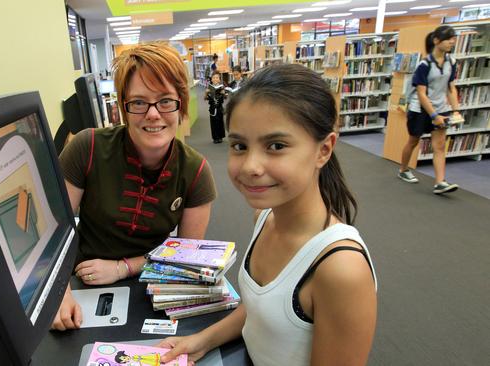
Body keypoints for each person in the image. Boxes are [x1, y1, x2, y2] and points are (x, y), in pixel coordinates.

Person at [158, 64, 377, 366]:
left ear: (324, 150)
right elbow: (260, 309)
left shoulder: (340, 269)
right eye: (239, 146)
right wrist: (201, 342)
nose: (250, 166)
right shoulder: (264, 217)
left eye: (276, 146)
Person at [52, 43, 217, 330]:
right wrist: (59, 292)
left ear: (180, 105)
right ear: (123, 108)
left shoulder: (196, 170)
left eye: (165, 101)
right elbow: (54, 232)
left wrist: (122, 267)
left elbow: (183, 259)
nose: (153, 114)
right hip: (82, 281)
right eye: (139, 102)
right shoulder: (86, 147)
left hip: (154, 284)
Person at [397, 25, 461, 195]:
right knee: (413, 141)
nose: (452, 43)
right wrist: (433, 115)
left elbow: (451, 88)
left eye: (453, 39)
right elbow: (421, 93)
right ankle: (403, 169)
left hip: (441, 108)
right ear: (436, 41)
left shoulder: (451, 63)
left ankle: (440, 182)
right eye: (449, 39)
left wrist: (455, 111)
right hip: (420, 109)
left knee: (439, 146)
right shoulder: (424, 65)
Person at [205, 71, 226, 143]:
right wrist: (206, 93)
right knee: (213, 123)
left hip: (219, 108)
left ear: (219, 79)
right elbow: (205, 98)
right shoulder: (209, 87)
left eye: (217, 77)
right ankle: (215, 138)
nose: (215, 79)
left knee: (220, 122)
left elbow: (225, 97)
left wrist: (224, 93)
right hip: (212, 108)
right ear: (211, 79)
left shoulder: (222, 87)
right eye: (214, 77)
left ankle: (220, 137)